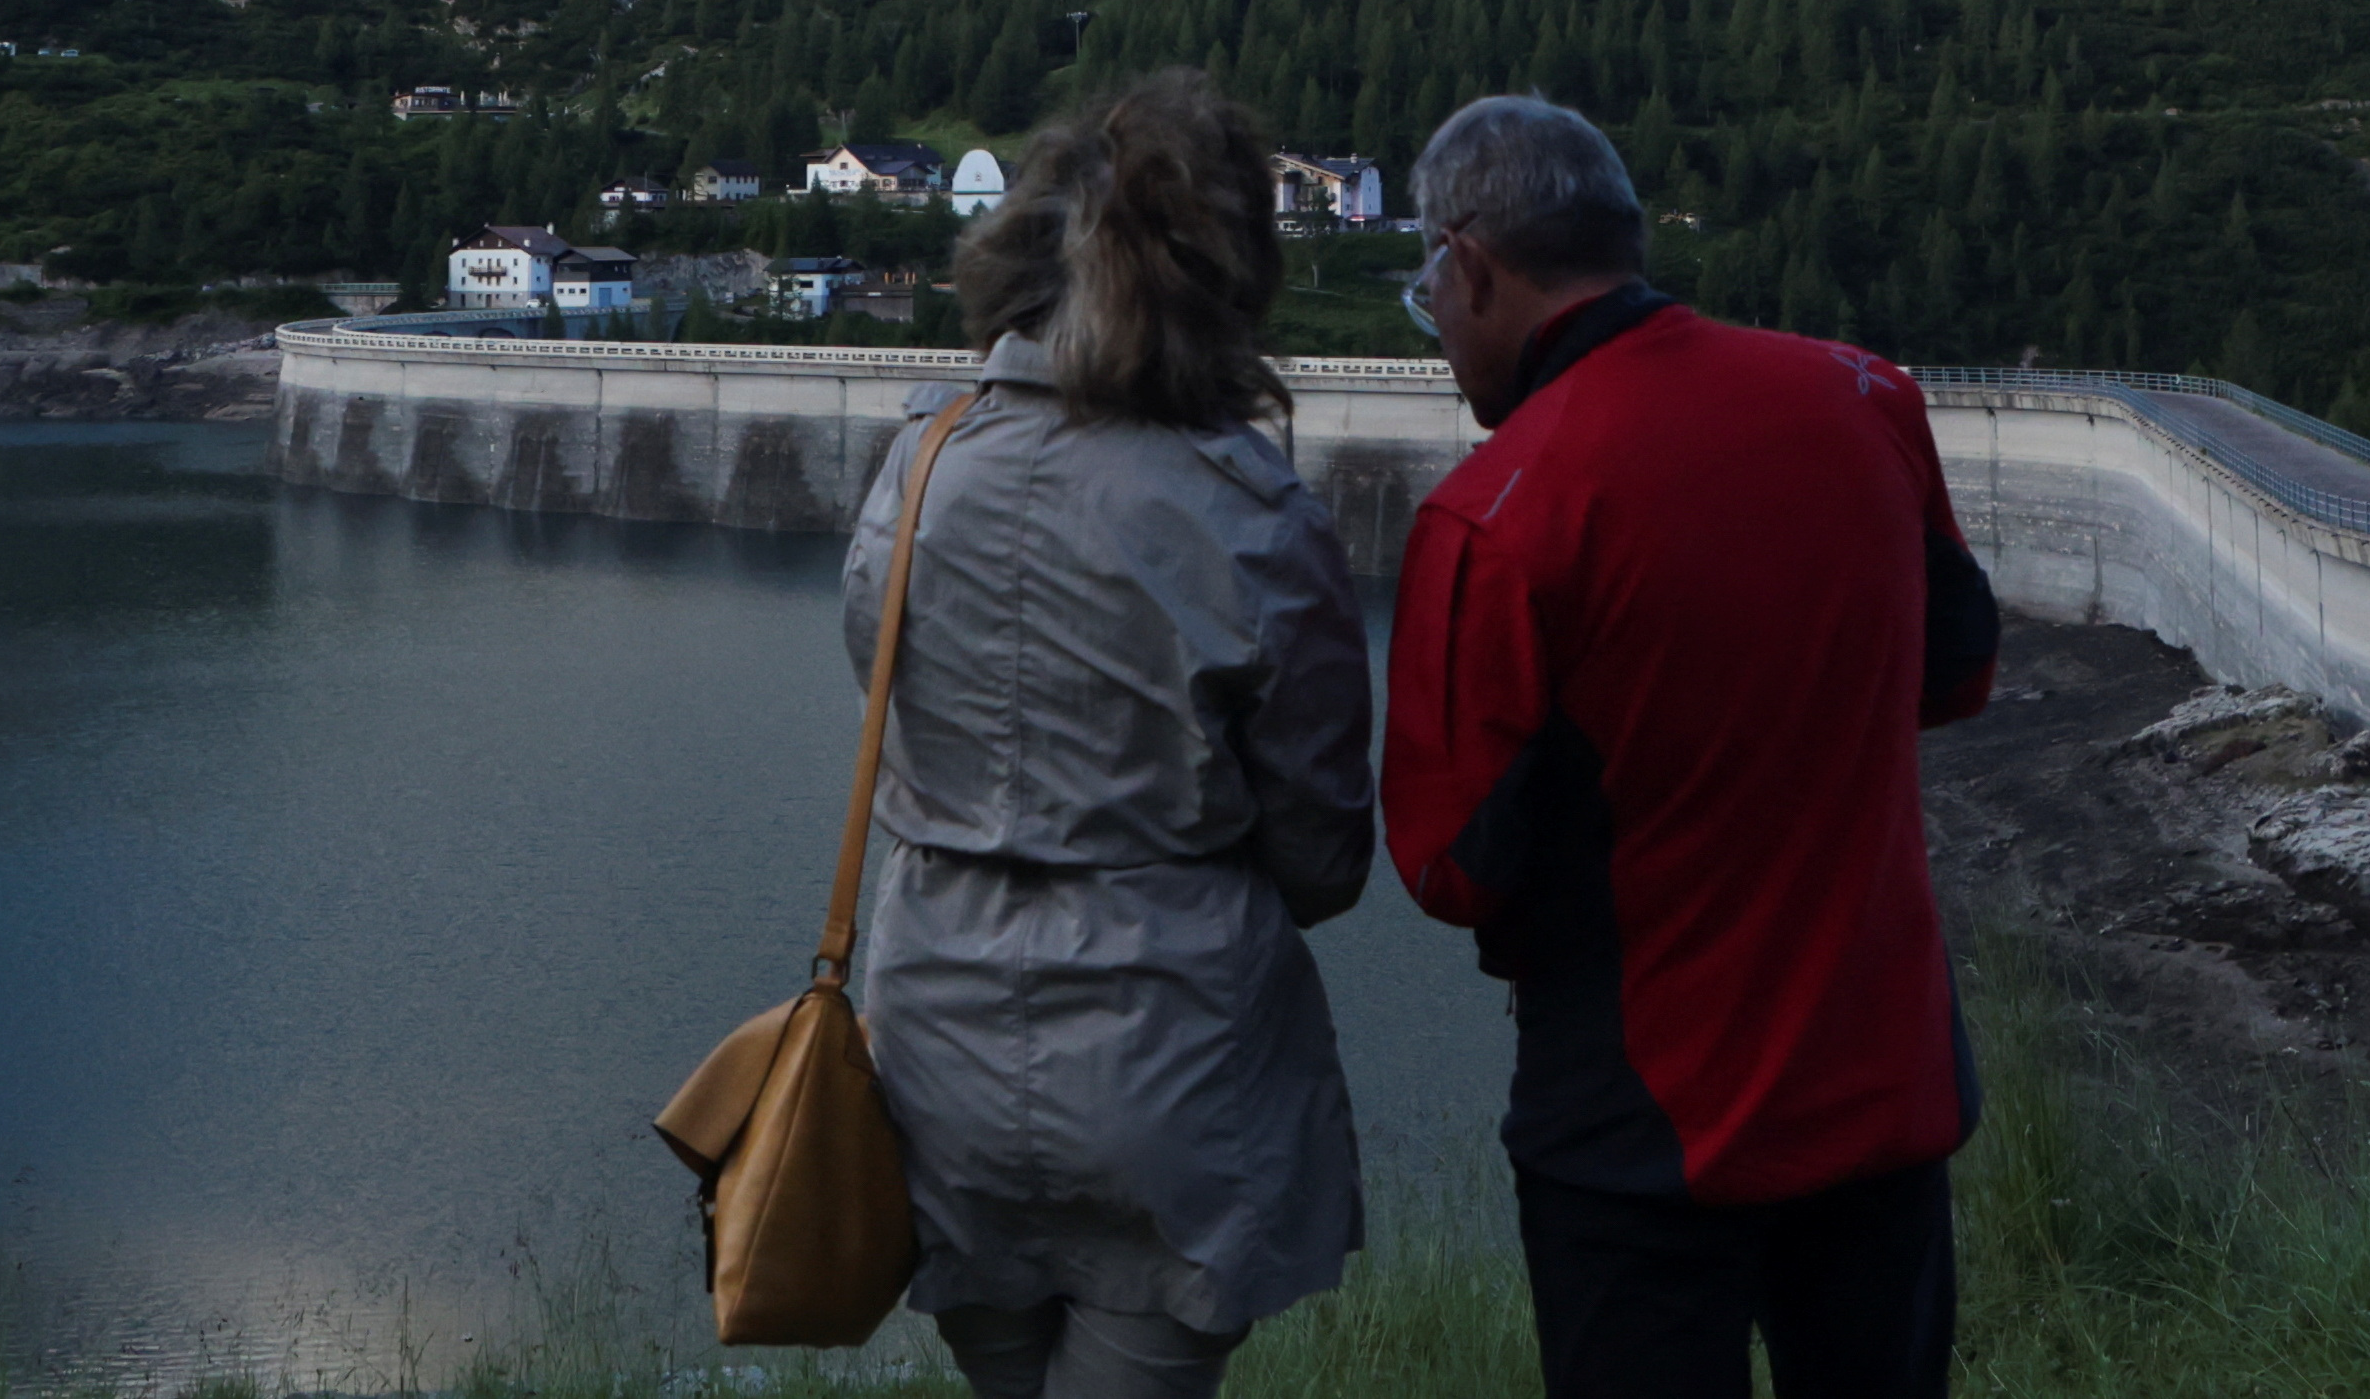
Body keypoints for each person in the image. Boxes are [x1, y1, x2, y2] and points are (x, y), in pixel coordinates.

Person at [1382, 94, 2001, 1399]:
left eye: (1425, 290)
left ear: (1472, 268)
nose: (1433, 325)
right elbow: (1956, 672)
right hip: (1883, 1091)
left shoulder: (1495, 513)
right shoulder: (1865, 397)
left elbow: (1451, 868)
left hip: (1642, 1140)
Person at [842, 71, 1377, 1399]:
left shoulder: (920, 468)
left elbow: (882, 688)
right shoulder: (1250, 511)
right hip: (1171, 1058)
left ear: (1013, 255)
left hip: (936, 1044)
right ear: (1225, 276)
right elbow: (1324, 855)